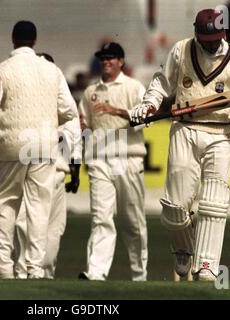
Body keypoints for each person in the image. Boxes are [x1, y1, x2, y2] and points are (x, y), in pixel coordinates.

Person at [130, 9, 230, 281]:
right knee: (174, 207)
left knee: (214, 203)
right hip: (184, 129)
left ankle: (208, 266)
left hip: (220, 133)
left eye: (215, 39)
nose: (211, 44)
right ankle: (183, 248)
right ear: (196, 33)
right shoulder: (181, 50)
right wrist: (148, 105)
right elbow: (161, 83)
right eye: (206, 39)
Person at [0, 21, 75, 279]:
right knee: (39, 208)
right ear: (35, 40)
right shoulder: (51, 70)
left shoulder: (3, 70)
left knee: (7, 204)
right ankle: (34, 268)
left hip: (13, 144)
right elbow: (69, 110)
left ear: (12, 38)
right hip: (44, 145)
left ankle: (3, 267)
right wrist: (47, 121)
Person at [78, 42, 148, 281]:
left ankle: (139, 275)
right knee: (101, 218)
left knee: (132, 221)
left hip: (129, 158)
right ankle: (96, 273)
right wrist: (83, 128)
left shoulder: (134, 87)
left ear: (121, 61)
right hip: (99, 160)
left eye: (111, 57)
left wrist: (116, 111)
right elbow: (84, 124)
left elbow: (146, 119)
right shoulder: (90, 92)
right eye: (103, 57)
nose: (106, 61)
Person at [13, 53, 82, 280]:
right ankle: (44, 273)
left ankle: (25, 271)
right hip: (58, 174)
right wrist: (75, 170)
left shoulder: (27, 102)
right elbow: (75, 138)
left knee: (28, 222)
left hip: (34, 171)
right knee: (52, 228)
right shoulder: (65, 102)